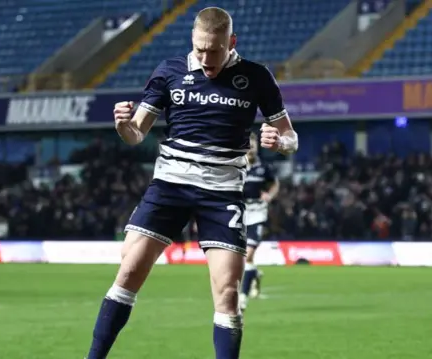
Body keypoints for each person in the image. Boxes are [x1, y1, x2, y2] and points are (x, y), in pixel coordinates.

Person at [85, 7, 298, 359]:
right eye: (199, 49)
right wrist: (123, 125)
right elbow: (137, 133)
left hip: (223, 192)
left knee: (228, 293)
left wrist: (280, 142)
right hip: (170, 184)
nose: (205, 58)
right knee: (128, 271)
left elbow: (292, 137)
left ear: (232, 42)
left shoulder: (257, 77)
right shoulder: (169, 71)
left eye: (214, 50)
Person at [239, 133, 279, 312]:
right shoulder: (237, 164)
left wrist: (269, 195)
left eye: (254, 143)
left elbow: (275, 183)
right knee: (243, 257)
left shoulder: (264, 167)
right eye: (248, 143)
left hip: (258, 212)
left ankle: (242, 297)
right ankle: (254, 274)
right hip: (240, 212)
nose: (251, 146)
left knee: (247, 254)